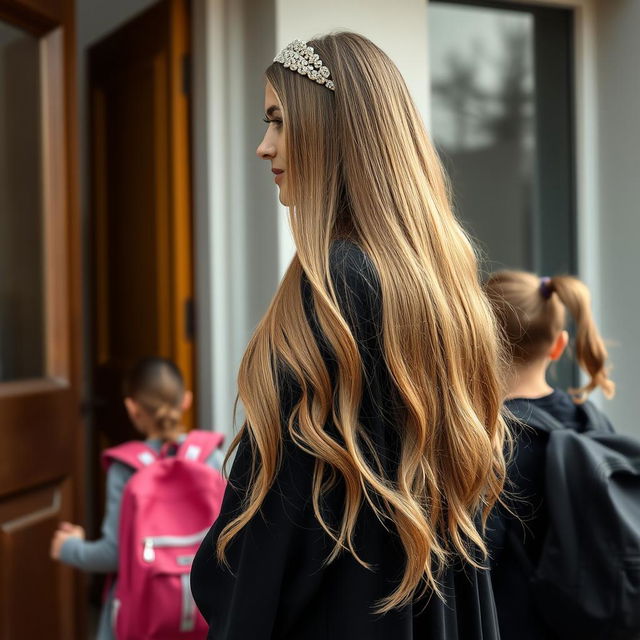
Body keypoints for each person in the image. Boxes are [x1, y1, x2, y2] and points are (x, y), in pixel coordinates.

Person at [190, 32, 508, 639]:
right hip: (425, 609)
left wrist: (220, 571)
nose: (264, 148)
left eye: (279, 123)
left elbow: (282, 520)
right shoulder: (439, 285)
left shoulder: (338, 284)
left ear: (332, 134)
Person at [50, 357, 223, 640]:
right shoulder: (210, 457)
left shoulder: (127, 468)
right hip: (205, 613)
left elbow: (113, 555)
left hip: (141, 622)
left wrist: (70, 547)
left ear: (131, 408)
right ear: (187, 401)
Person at [484, 271, 616, 639]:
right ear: (559, 345)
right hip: (591, 624)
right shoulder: (591, 421)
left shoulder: (489, 440)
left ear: (478, 338)